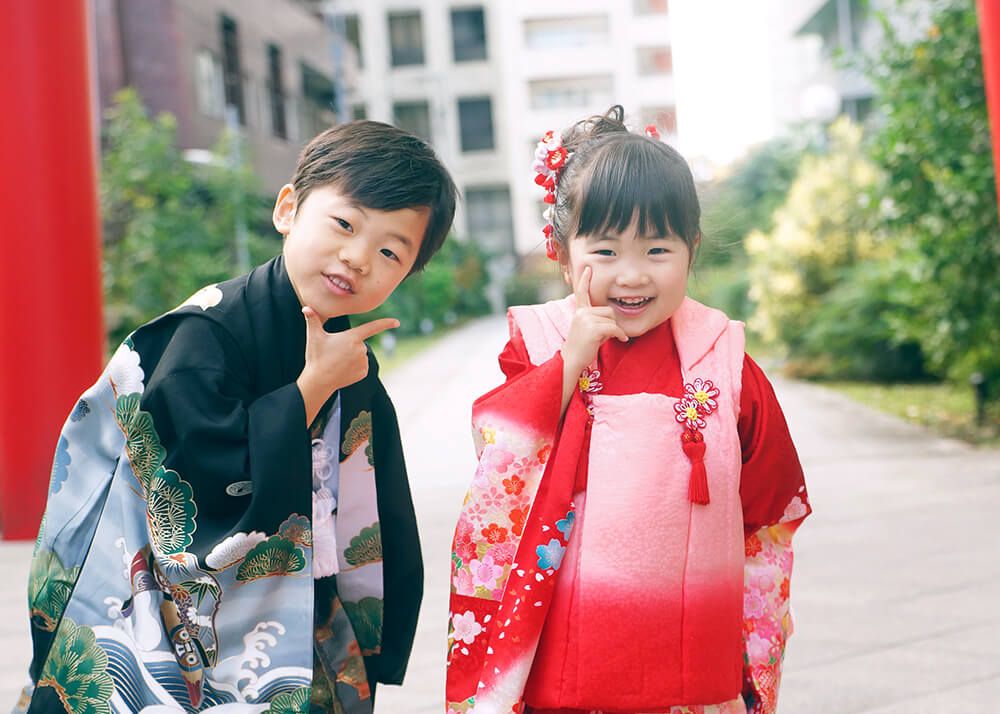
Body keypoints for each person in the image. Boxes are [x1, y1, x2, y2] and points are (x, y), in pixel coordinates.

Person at [21, 120, 456, 713]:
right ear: (287, 210)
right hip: (156, 604)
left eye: (388, 251)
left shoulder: (350, 360)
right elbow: (195, 485)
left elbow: (372, 511)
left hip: (294, 614)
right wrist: (310, 389)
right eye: (344, 224)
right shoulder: (204, 334)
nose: (356, 258)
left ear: (407, 273)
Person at [445, 106, 811, 714]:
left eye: (658, 248)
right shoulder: (539, 342)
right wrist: (573, 357)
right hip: (566, 643)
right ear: (561, 251)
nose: (632, 275)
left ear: (692, 249)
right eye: (606, 250)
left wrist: (754, 629)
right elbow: (501, 464)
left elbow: (767, 508)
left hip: (692, 640)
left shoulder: (723, 354)